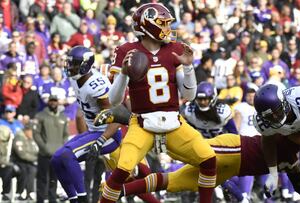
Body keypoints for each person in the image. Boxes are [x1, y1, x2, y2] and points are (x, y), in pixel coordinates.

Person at [98, 3, 217, 203]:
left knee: (208, 158)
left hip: (173, 122)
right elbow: (114, 100)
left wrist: (188, 69)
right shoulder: (127, 51)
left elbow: (189, 95)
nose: (167, 28)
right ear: (147, 25)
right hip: (142, 123)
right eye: (162, 24)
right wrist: (124, 75)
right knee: (122, 169)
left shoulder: (175, 49)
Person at [101, 133, 300, 203]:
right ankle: (149, 135)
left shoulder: (295, 162)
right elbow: (272, 136)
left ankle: (116, 191)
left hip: (232, 169)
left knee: (175, 182)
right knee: (181, 151)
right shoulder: (289, 139)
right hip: (234, 149)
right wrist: (271, 171)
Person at [50, 46, 128, 203]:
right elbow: (81, 112)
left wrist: (100, 141)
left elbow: (117, 118)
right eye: (69, 63)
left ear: (85, 65)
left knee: (67, 155)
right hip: (93, 131)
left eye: (74, 64)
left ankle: (83, 199)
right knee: (56, 159)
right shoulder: (75, 79)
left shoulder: (97, 85)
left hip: (108, 135)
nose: (69, 67)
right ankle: (74, 199)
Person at [33, 94, 69, 203]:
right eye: (51, 101)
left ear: (58, 102)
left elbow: (66, 135)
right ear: (48, 102)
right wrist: (44, 148)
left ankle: (52, 200)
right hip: (44, 154)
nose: (53, 103)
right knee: (42, 179)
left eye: (55, 101)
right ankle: (40, 200)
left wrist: (62, 148)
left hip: (57, 155)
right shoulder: (40, 116)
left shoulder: (63, 117)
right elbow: (36, 134)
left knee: (54, 180)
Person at [12, 123, 38, 201]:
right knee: (24, 170)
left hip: (29, 161)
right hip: (17, 161)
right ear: (27, 130)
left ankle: (30, 193)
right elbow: (22, 154)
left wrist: (36, 159)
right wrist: (35, 159)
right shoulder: (19, 137)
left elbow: (35, 151)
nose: (33, 133)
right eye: (31, 131)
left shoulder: (31, 138)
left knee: (33, 169)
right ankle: (19, 193)